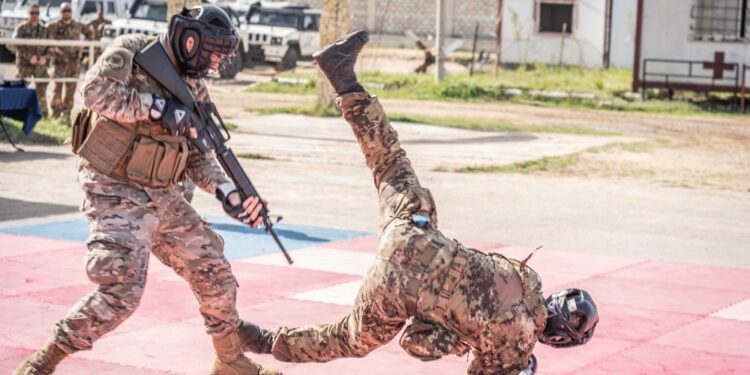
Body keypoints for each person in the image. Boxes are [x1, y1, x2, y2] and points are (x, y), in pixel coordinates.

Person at [238, 30, 600, 375]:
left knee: (390, 163)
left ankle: (343, 76)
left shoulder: (527, 279)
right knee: (348, 338)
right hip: (397, 290)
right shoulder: (517, 344)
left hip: (413, 236)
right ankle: (259, 339)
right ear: (557, 340)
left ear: (554, 300)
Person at [14, 5, 279, 375]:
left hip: (164, 193)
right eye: (213, 53)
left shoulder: (195, 86)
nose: (215, 62)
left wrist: (228, 193)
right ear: (191, 41)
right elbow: (94, 92)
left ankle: (229, 361)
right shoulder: (134, 52)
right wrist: (156, 108)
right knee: (122, 288)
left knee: (214, 270)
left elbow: (198, 155)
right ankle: (45, 361)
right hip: (115, 187)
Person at [46, 2, 88, 121]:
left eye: (68, 10)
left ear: (72, 12)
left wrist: (84, 48)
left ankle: (66, 115)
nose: (66, 13)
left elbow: (90, 33)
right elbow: (45, 35)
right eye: (64, 11)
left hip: (73, 63)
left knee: (71, 89)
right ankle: (55, 114)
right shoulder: (53, 25)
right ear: (60, 12)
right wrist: (54, 48)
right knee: (56, 89)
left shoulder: (78, 25)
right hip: (59, 63)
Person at [11, 4, 49, 117]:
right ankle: (16, 112)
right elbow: (14, 44)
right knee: (21, 88)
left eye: (36, 13)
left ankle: (43, 115)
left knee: (41, 91)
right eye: (32, 13)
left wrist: (45, 57)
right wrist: (29, 56)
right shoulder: (21, 28)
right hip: (24, 65)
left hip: (40, 66)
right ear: (28, 14)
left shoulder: (44, 29)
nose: (34, 15)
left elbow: (50, 47)